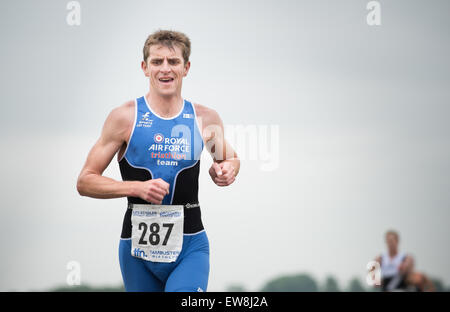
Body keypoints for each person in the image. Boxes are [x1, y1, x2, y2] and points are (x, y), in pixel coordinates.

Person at [76, 29, 240, 292]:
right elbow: (85, 181)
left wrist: (227, 170)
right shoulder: (124, 117)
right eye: (157, 61)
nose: (165, 69)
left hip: (191, 247)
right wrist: (136, 188)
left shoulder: (204, 119)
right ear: (144, 67)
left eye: (173, 62)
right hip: (136, 251)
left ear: (186, 68)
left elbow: (229, 159)